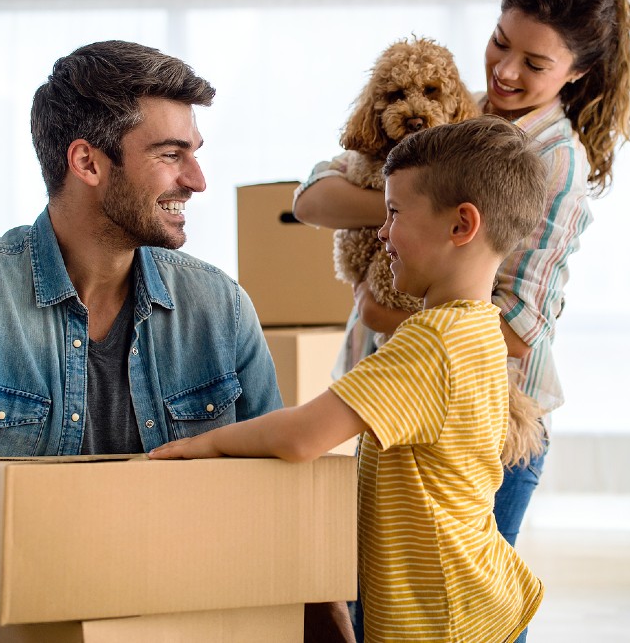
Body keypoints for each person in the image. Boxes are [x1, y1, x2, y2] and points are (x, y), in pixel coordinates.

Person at [0, 40, 283, 643]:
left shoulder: (220, 309)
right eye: (171, 155)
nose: (196, 180)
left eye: (193, 153)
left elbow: (279, 515)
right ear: (87, 162)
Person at [293, 0, 630, 618]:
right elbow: (312, 195)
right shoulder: (459, 113)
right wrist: (402, 205)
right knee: (387, 591)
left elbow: (519, 326)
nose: (505, 72)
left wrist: (384, 308)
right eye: (499, 44)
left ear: (578, 71)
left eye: (535, 64)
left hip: (487, 424)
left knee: (471, 606)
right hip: (400, 406)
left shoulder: (553, 164)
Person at [151, 116, 550, 643]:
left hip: (439, 615)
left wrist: (201, 443)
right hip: (472, 595)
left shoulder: (432, 342)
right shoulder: (479, 330)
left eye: (393, 213)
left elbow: (301, 437)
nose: (381, 232)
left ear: (461, 225)